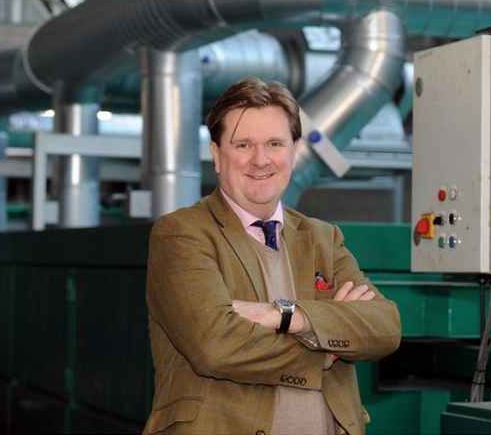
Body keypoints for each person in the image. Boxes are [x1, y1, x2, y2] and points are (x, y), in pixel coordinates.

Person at [143, 77, 401, 435]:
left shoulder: (323, 238)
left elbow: (384, 327)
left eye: (275, 144)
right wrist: (324, 349)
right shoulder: (183, 233)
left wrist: (285, 316)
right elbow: (215, 346)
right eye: (243, 144)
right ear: (217, 155)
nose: (260, 160)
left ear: (294, 151)